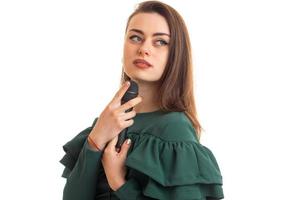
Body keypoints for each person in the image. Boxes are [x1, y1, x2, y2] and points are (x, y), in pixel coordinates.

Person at [60, 1, 224, 199]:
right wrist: (96, 140)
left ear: (175, 56)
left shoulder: (174, 128)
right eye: (135, 37)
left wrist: (119, 182)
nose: (144, 49)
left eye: (160, 42)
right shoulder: (106, 123)